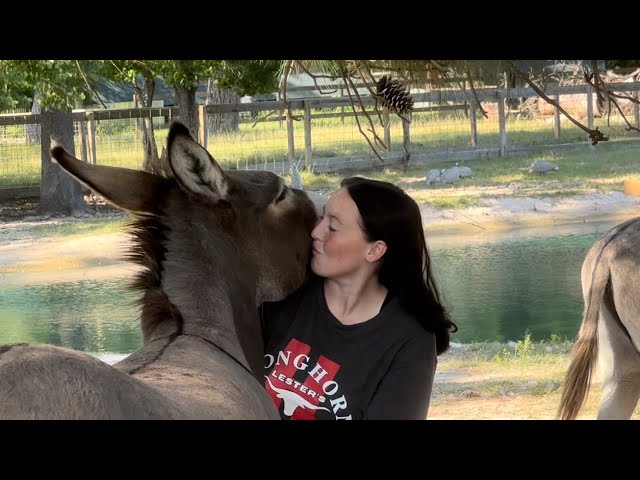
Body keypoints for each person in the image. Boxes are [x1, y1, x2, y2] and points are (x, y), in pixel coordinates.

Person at [260, 176, 457, 420]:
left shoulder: (410, 341)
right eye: (323, 217)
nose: (316, 232)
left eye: (332, 227)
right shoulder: (283, 295)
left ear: (374, 250)